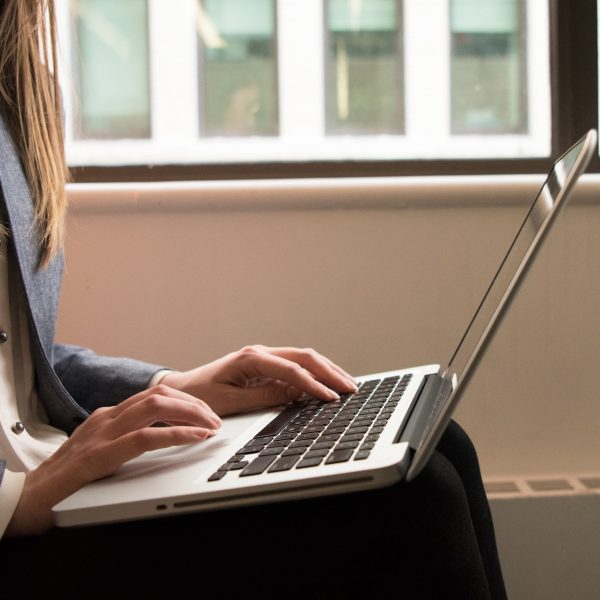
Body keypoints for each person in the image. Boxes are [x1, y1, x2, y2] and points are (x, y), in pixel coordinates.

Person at [0, 2, 507, 598]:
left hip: (48, 474)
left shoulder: (18, 87)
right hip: (23, 519)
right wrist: (16, 499)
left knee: (440, 445)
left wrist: (170, 386)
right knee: (418, 500)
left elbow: (21, 360)